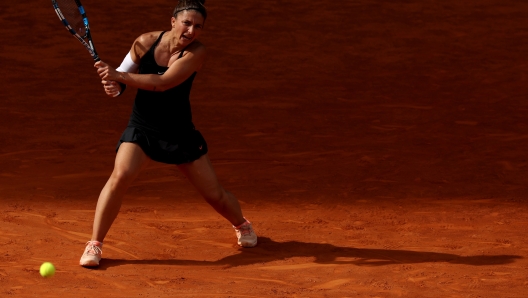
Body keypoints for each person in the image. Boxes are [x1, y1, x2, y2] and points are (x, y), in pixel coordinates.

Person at [80, 0, 257, 267]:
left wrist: (118, 77)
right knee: (119, 177)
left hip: (179, 132)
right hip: (142, 127)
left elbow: (162, 83)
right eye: (187, 23)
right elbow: (123, 77)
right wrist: (116, 87)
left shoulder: (196, 53)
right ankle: (94, 244)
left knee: (215, 195)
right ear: (173, 21)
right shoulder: (144, 42)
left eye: (198, 26)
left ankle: (242, 224)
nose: (191, 31)